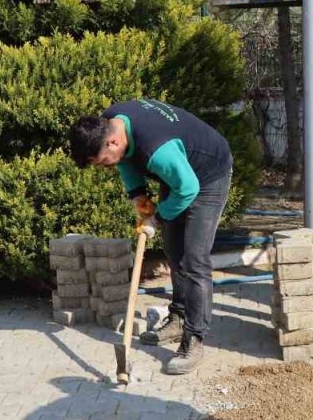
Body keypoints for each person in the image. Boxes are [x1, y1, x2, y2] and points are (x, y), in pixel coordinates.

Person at [70, 98, 233, 376]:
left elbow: (187, 188)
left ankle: (194, 337)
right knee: (173, 251)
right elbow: (125, 159)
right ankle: (179, 317)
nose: (103, 167)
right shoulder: (112, 122)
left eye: (102, 162)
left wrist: (156, 219)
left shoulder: (157, 150)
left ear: (111, 143)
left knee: (194, 260)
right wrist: (138, 195)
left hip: (207, 177)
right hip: (180, 173)